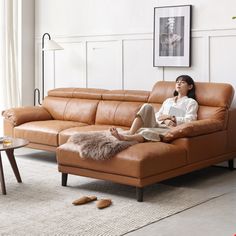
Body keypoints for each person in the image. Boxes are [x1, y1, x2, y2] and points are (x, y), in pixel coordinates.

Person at [109, 75, 198, 143]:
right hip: (158, 124)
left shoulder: (191, 102)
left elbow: (190, 120)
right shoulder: (168, 101)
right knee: (147, 106)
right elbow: (158, 116)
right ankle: (131, 132)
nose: (178, 83)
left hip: (170, 129)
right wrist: (164, 120)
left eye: (182, 82)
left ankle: (124, 138)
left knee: (147, 131)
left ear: (190, 87)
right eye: (177, 82)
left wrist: (171, 117)